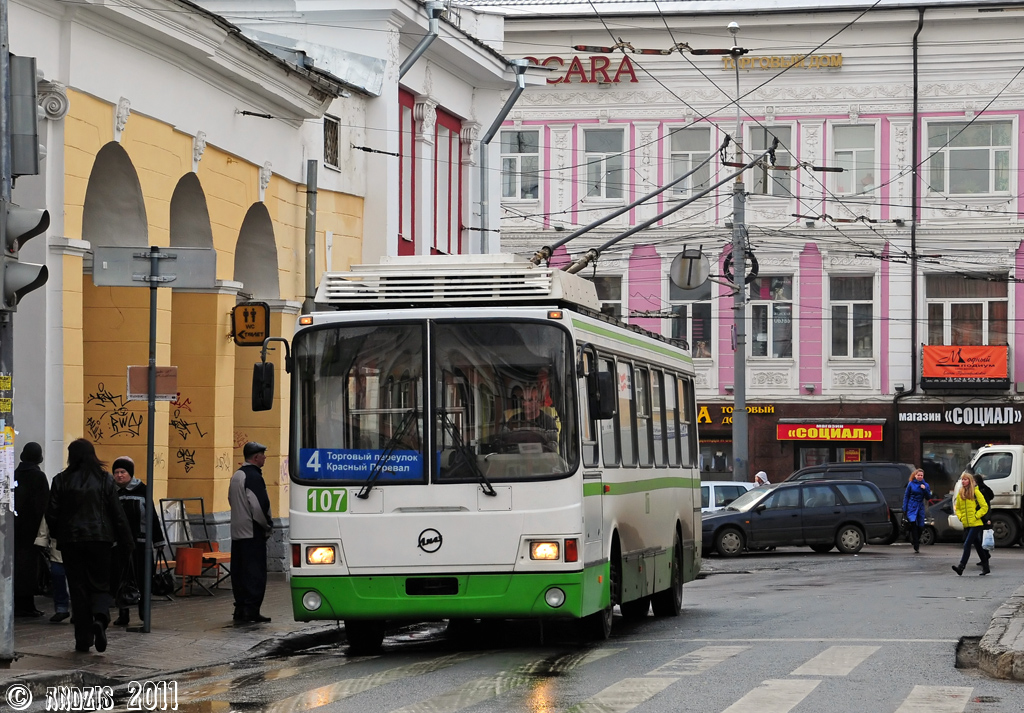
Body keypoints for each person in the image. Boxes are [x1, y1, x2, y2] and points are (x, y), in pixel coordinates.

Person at [45, 438, 134, 653]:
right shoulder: (105, 479)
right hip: (100, 540)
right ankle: (101, 619)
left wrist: (59, 535)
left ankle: (83, 640)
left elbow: (51, 513)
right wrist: (126, 540)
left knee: (78, 588)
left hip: (71, 541)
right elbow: (117, 513)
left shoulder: (61, 480)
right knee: (100, 583)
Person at [110, 456, 165, 627]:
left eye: (123, 472)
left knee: (143, 577)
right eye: (116, 472)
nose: (119, 476)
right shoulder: (112, 492)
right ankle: (123, 613)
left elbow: (152, 517)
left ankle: (143, 610)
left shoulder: (143, 490)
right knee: (121, 579)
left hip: (141, 543)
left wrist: (158, 540)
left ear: (130, 474)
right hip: (120, 545)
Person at [229, 442, 273, 624]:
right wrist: (267, 525)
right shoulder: (254, 477)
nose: (265, 458)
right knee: (254, 573)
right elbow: (258, 506)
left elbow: (231, 499)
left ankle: (240, 608)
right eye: (263, 455)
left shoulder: (237, 475)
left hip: (237, 531)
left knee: (239, 572)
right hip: (252, 531)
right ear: (256, 457)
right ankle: (251, 610)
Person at [13, 442, 50, 617]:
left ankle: (19, 603)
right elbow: (44, 505)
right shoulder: (38, 476)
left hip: (14, 528)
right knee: (30, 568)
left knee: (17, 567)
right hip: (33, 530)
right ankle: (27, 604)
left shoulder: (15, 474)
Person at [951, 472, 990, 576]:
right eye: (962, 480)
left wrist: (976, 516)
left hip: (976, 523)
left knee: (967, 544)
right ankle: (986, 567)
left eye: (965, 479)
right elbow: (957, 508)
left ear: (970, 481)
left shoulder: (976, 492)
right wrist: (961, 517)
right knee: (978, 546)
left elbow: (984, 507)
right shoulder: (961, 493)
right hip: (967, 523)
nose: (963, 481)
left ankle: (961, 566)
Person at [34, 517, 70, 622]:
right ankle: (62, 608)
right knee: (58, 575)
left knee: (73, 579)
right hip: (59, 544)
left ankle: (65, 608)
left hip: (72, 543)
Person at [902, 468, 932, 553]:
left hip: (920, 507)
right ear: (915, 475)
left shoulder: (926, 485)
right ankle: (916, 544)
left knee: (921, 526)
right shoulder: (911, 484)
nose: (920, 477)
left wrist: (924, 489)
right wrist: (904, 508)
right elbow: (906, 496)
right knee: (913, 524)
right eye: (918, 475)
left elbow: (928, 497)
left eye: (921, 475)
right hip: (911, 506)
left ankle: (915, 539)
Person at [974, 472, 996, 566]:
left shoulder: (981, 490)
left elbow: (985, 505)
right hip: (981, 516)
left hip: (983, 517)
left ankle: (985, 557)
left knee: (981, 538)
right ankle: (985, 557)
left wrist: (987, 518)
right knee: (981, 538)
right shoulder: (984, 488)